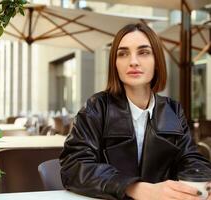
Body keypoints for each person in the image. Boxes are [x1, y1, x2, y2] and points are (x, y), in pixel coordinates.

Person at [59, 23, 211, 200]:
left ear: (157, 61)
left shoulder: (173, 110)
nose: (133, 61)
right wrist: (135, 188)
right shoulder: (97, 108)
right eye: (123, 54)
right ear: (114, 64)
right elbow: (73, 166)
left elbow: (190, 159)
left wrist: (203, 181)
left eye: (144, 52)